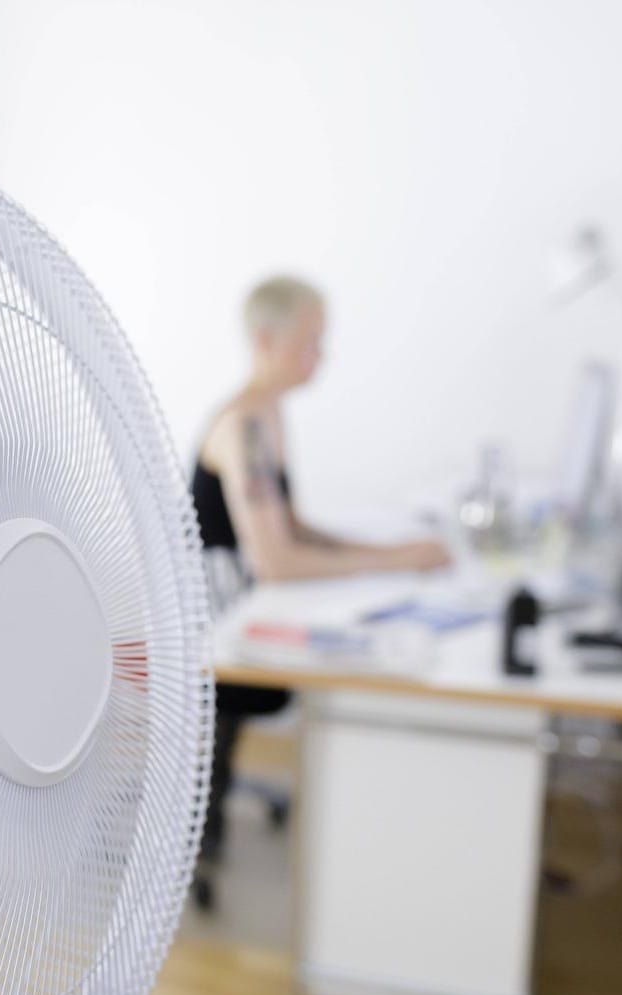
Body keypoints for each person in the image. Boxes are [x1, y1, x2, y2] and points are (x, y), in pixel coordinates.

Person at [191, 275, 451, 873]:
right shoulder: (245, 426)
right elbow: (277, 562)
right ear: (266, 339)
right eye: (311, 341)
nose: (321, 356)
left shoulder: (270, 415)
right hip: (223, 625)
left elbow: (292, 526)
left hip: (247, 602)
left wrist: (390, 550)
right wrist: (393, 561)